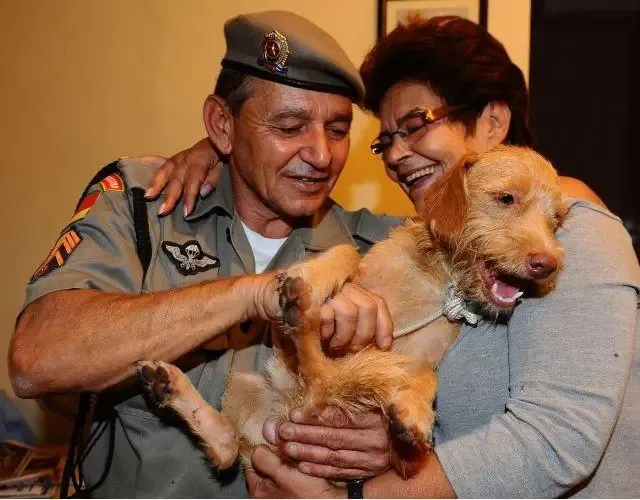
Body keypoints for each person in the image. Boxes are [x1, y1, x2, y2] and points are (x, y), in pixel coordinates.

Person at [149, 16, 640, 498]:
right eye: (386, 141)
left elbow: (555, 441)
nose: (397, 156)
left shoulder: (573, 231)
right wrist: (220, 151)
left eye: (415, 125)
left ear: (493, 121)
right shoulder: (435, 245)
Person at [8, 11, 399, 498]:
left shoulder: (374, 250)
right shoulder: (144, 207)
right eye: (290, 125)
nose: (321, 155)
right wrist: (252, 296)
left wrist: (395, 447)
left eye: (338, 130)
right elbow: (36, 358)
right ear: (222, 123)